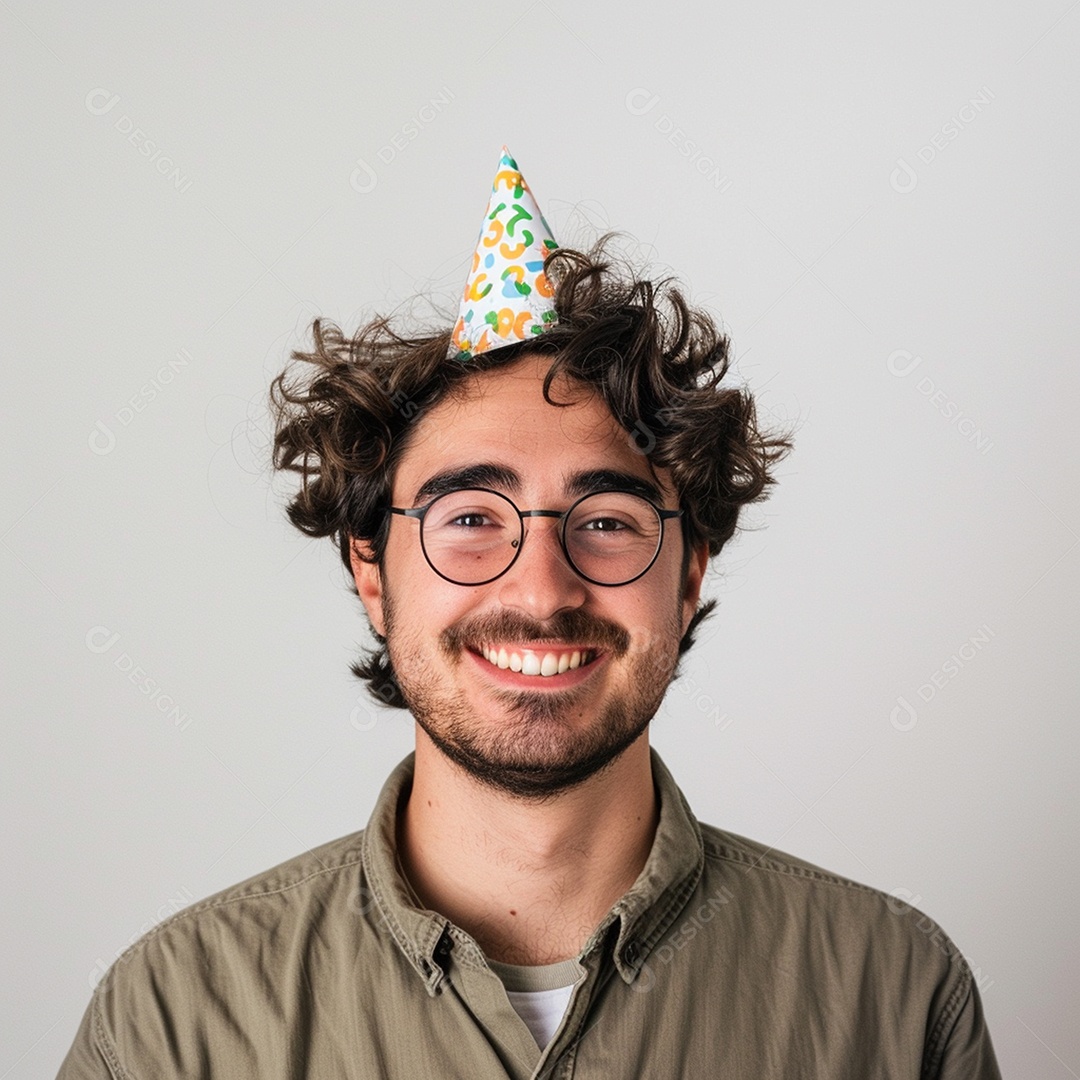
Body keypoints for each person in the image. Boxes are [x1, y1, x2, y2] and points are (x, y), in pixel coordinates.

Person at [58, 148, 1001, 1078]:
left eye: (606, 521)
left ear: (690, 572)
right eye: (469, 519)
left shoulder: (897, 996)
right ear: (373, 573)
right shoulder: (170, 1023)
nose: (543, 591)